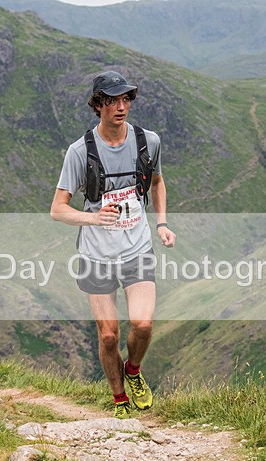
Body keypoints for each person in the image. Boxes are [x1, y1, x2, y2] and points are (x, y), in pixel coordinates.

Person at [50, 71, 176, 418]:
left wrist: (162, 223)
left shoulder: (148, 141)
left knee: (143, 324)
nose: (121, 107)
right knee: (108, 336)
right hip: (96, 254)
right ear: (98, 105)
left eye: (126, 100)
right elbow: (57, 209)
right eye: (112, 101)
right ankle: (120, 400)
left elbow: (158, 183)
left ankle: (133, 370)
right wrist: (93, 218)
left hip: (137, 247)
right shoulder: (80, 152)